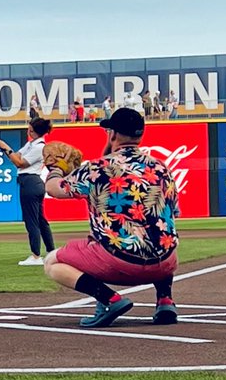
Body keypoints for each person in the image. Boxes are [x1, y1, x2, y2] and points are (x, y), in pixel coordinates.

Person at [43, 107, 180, 328]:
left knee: (52, 262)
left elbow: (54, 189)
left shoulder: (97, 168)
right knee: (158, 233)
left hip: (119, 264)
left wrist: (56, 168)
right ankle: (165, 299)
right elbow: (173, 214)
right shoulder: (161, 167)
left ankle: (109, 300)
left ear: (113, 134)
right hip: (165, 264)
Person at [0, 117, 55, 266]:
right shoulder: (31, 144)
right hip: (31, 182)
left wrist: (6, 148)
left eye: (30, 129)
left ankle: (36, 256)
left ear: (35, 131)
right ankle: (51, 252)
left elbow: (19, 162)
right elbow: (17, 156)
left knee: (32, 221)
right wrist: (7, 150)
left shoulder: (38, 147)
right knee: (41, 220)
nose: (28, 131)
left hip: (30, 182)